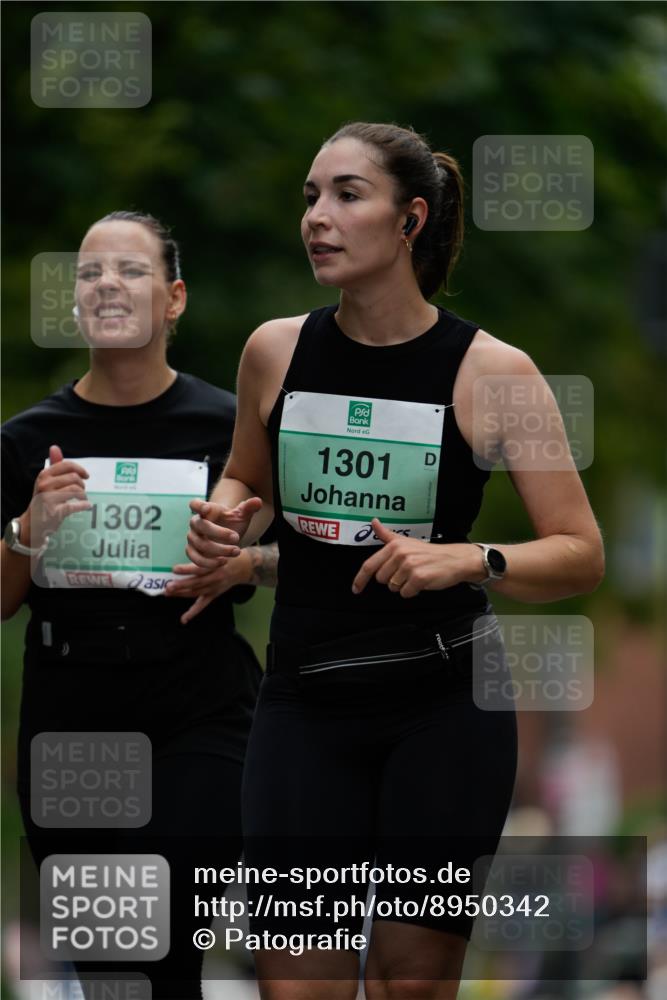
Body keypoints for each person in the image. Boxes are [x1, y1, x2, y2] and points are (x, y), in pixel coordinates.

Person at [185, 123, 605, 1000]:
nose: (317, 218)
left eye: (346, 195)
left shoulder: (497, 373)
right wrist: (225, 520)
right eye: (309, 198)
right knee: (296, 986)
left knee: (409, 982)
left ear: (409, 220)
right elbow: (243, 478)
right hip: (304, 698)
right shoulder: (275, 350)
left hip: (444, 708)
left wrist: (468, 559)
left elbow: (579, 553)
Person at [1, 211, 277, 999]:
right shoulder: (27, 441)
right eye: (89, 274)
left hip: (199, 708)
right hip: (70, 718)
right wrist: (28, 529)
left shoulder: (230, 426)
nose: (106, 286)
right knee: (116, 973)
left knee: (162, 939)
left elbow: (312, 561)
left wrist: (244, 564)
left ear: (174, 298)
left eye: (130, 270)